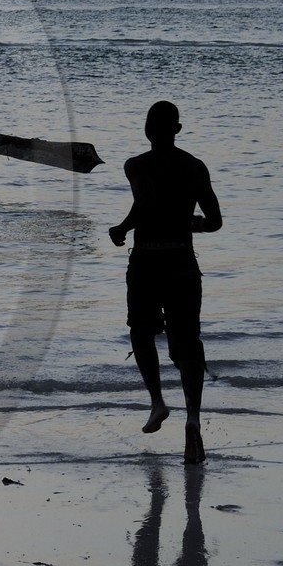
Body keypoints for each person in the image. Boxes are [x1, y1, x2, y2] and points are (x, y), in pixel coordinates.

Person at [108, 101, 222, 464]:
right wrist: (190, 224)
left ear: (147, 129)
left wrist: (122, 228)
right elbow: (215, 221)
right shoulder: (194, 166)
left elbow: (146, 202)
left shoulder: (136, 165)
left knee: (142, 333)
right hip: (181, 262)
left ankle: (157, 401)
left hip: (146, 261)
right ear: (177, 129)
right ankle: (193, 418)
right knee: (187, 344)